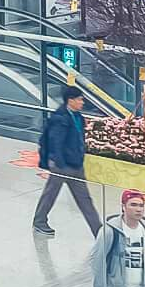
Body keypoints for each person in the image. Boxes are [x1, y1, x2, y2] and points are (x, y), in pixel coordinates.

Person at [32, 86, 102, 237]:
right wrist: (60, 164)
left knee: (85, 199)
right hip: (61, 166)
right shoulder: (60, 118)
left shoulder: (78, 117)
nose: (82, 102)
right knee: (50, 194)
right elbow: (55, 142)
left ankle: (99, 232)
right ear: (70, 100)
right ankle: (39, 221)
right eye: (80, 99)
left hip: (75, 165)